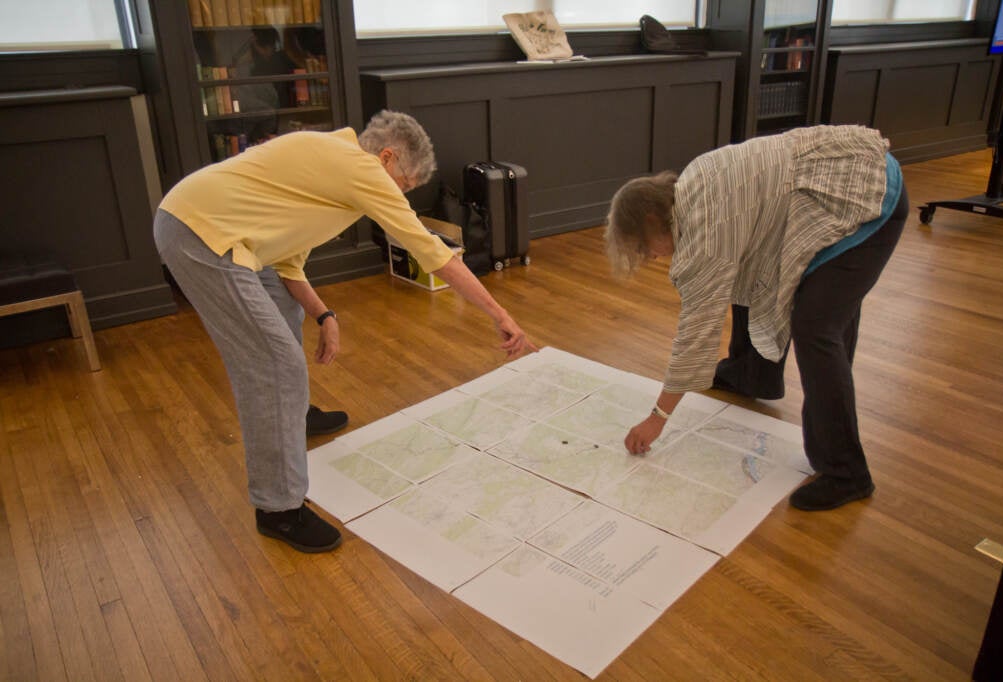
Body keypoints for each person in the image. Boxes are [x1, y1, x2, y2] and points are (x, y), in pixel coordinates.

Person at [154, 110, 536, 552]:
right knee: (273, 363)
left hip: (214, 229)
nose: (404, 197)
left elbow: (286, 262)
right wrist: (499, 313)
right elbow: (430, 249)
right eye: (406, 185)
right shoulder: (357, 166)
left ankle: (291, 415)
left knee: (283, 308)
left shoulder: (330, 165)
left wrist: (323, 315)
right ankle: (278, 509)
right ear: (387, 158)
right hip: (199, 235)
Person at [606, 124, 908, 512]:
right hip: (842, 177)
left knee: (817, 327)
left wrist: (657, 418)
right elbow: (742, 267)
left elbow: (696, 330)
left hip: (867, 198)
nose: (651, 257)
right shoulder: (693, 184)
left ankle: (846, 472)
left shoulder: (705, 232)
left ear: (651, 218)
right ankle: (752, 374)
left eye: (645, 248)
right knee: (745, 273)